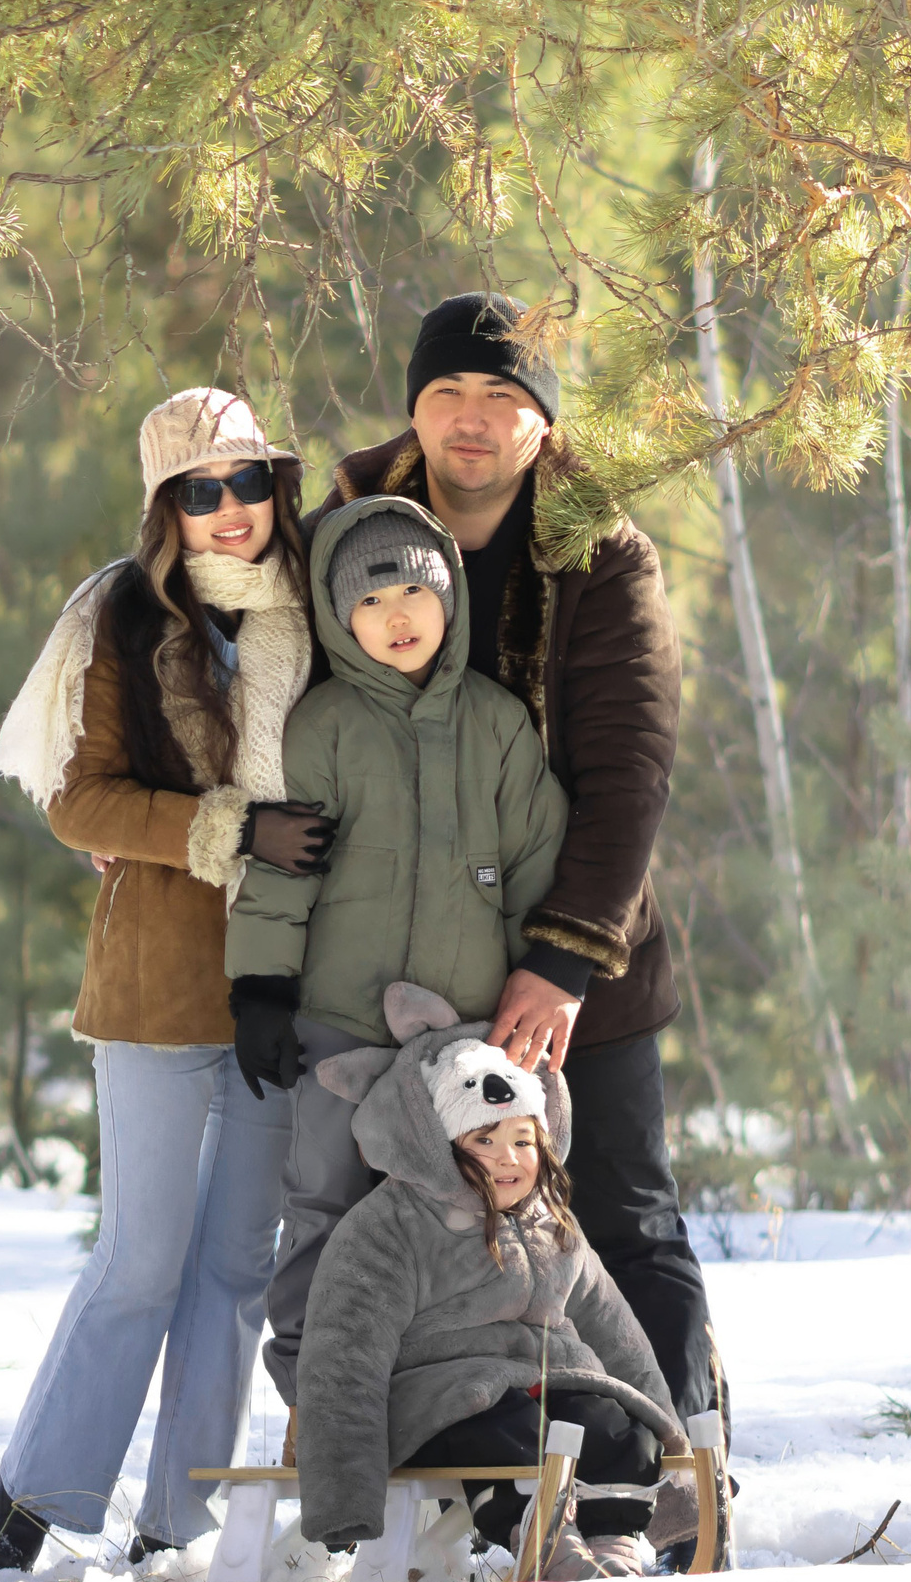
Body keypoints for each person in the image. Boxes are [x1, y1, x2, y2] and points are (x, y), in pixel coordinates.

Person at [269, 292, 725, 1480]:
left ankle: (685, 1470)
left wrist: (565, 957)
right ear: (414, 406)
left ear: (539, 417)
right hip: (396, 968)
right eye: (447, 395)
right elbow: (258, 689)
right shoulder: (347, 530)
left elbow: (631, 771)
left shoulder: (600, 549)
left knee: (615, 1212)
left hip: (577, 960)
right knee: (398, 1230)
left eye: (502, 397)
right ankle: (468, 1474)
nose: (472, 422)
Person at [0, 388, 335, 1571]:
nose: (229, 510)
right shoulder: (123, 616)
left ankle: (180, 1524)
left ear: (279, 484)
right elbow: (83, 800)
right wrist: (233, 826)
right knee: (141, 1256)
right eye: (198, 489)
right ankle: (27, 1496)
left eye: (248, 481)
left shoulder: (324, 609)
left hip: (286, 977)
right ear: (164, 509)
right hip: (157, 978)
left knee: (236, 1265)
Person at [222, 488, 566, 1219]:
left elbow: (534, 864)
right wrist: (262, 990)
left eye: (414, 589)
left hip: (467, 1030)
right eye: (372, 600)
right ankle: (306, 1340)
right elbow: (284, 873)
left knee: (462, 1209)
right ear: (342, 618)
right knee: (325, 1200)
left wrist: (530, 983)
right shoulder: (324, 726)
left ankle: (459, 1340)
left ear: (449, 592)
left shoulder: (497, 723)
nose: (398, 615)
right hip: (339, 1017)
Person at [290, 985, 691, 1581]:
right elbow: (343, 1355)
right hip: (442, 1399)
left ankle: (615, 1540)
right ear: (440, 1145)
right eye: (485, 1141)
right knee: (507, 1437)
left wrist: (672, 1440)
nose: (509, 1160)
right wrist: (343, 1494)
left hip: (552, 1382)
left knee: (615, 1426)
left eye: (522, 1141)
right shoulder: (390, 1227)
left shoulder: (553, 1221)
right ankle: (542, 1537)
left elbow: (615, 1330)